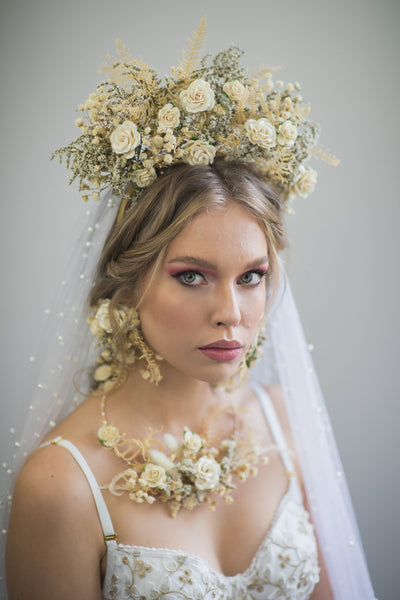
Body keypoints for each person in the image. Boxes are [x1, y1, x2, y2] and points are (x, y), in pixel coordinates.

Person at [1, 22, 375, 600]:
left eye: (252, 276)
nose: (232, 313)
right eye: (192, 276)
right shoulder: (62, 484)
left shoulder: (284, 420)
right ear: (128, 281)